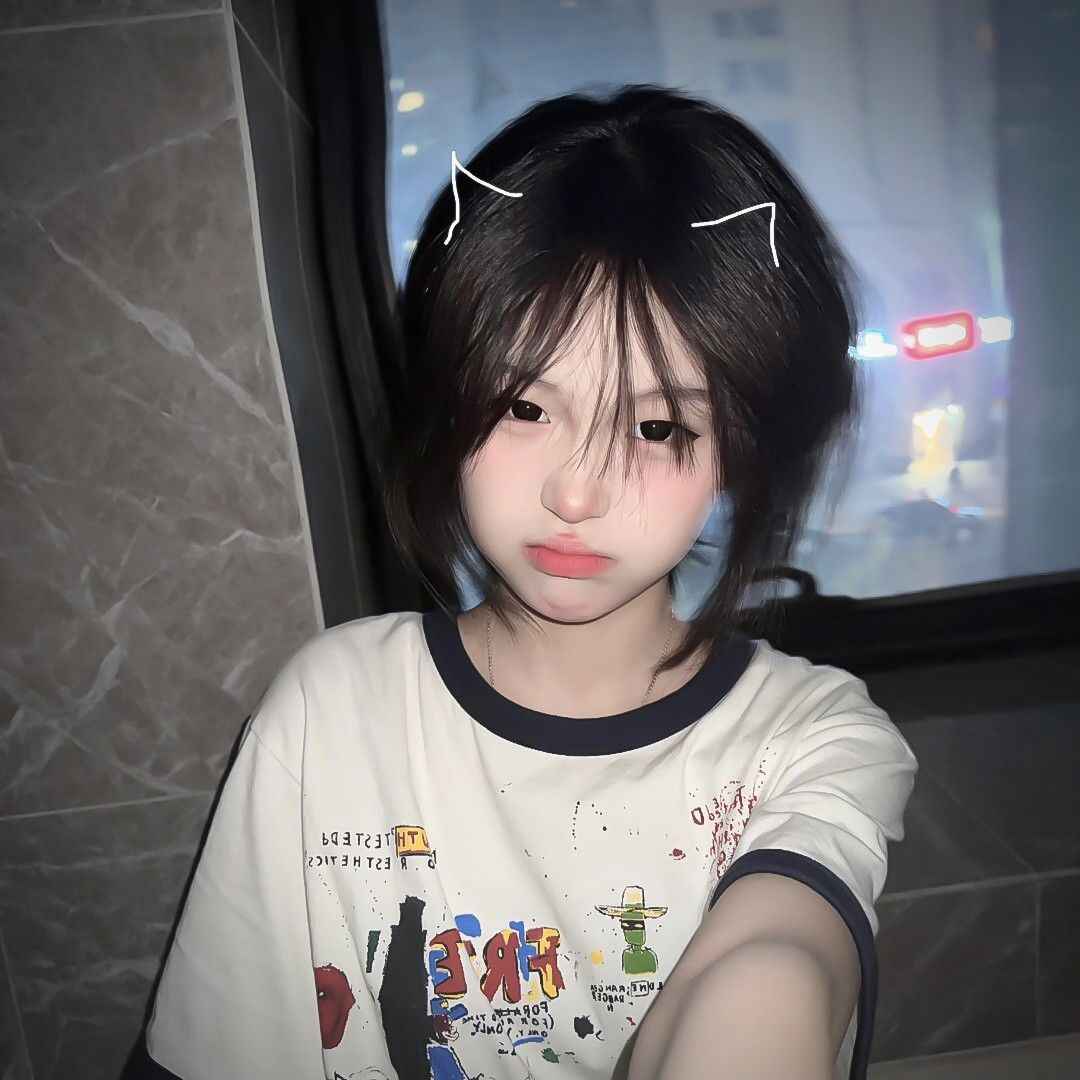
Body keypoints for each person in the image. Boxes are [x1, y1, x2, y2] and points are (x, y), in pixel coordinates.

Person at [140, 84, 918, 1079]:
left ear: (738, 448)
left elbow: (776, 960)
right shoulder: (334, 710)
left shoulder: (813, 738)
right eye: (522, 407)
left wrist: (757, 1004)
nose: (576, 492)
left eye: (656, 427)